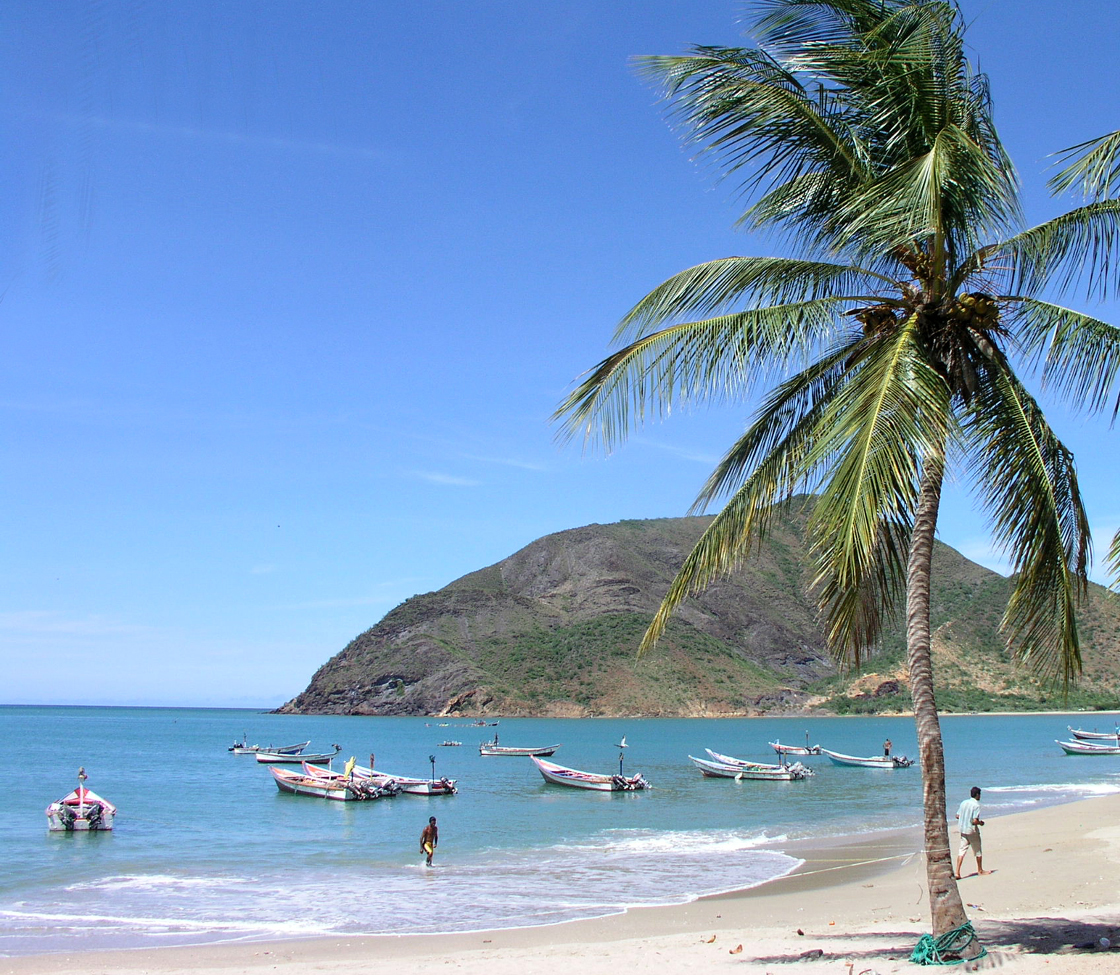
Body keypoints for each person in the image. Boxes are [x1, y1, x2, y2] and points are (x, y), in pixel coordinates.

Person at [954, 786, 989, 879]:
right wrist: (981, 823)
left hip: (962, 829)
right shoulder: (976, 805)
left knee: (961, 851)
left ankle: (957, 872)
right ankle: (980, 870)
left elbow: (957, 816)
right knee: (977, 851)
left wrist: (965, 818)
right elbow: (974, 821)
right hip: (971, 831)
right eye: (979, 794)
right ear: (977, 795)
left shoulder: (964, 803)